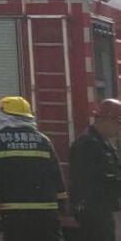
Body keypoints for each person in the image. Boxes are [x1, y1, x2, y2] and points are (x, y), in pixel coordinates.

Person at [0, 96, 68, 239]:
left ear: (4, 116)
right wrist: (62, 204)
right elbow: (57, 176)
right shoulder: (44, 140)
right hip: (46, 215)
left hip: (14, 215)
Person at [68, 98, 121, 241]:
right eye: (118, 124)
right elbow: (89, 179)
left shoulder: (105, 144)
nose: (119, 130)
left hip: (103, 210)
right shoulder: (87, 144)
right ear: (105, 120)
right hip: (90, 212)